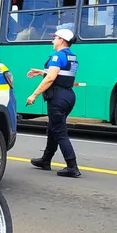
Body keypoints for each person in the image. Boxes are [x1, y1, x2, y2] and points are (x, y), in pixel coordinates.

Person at [26, 27, 81, 178]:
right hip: (68, 96)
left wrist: (34, 95)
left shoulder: (58, 56)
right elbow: (61, 75)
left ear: (61, 40)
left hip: (57, 98)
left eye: (55, 37)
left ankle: (72, 166)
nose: (53, 40)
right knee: (53, 128)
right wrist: (41, 71)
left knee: (60, 132)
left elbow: (51, 78)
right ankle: (46, 160)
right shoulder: (72, 56)